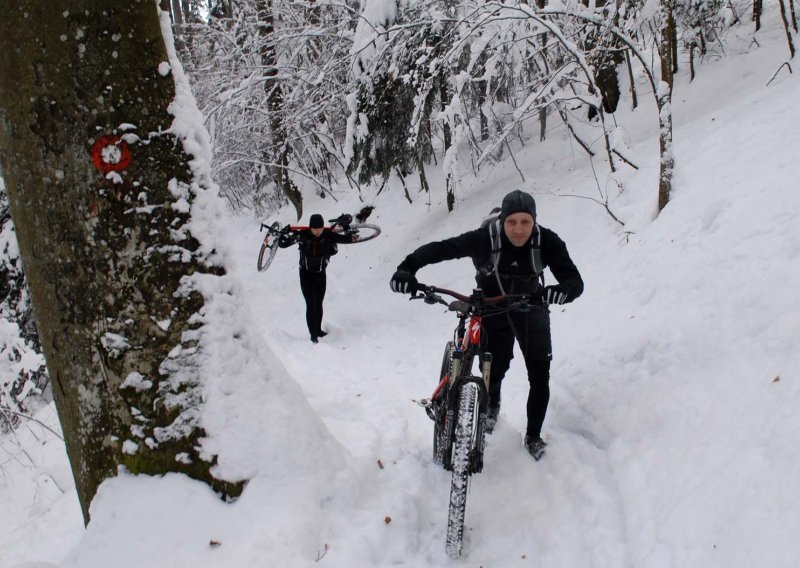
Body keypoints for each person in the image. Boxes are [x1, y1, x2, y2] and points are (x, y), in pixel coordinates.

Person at [389, 190, 583, 460]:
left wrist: (563, 291)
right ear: (502, 221)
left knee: (539, 374)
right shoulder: (485, 239)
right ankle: (491, 404)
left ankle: (533, 436)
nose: (518, 229)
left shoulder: (547, 241)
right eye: (511, 222)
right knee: (494, 367)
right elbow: (443, 249)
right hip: (491, 307)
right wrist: (407, 268)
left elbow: (574, 281)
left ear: (534, 222)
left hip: (532, 306)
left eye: (525, 222)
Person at [279, 213, 355, 343]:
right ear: (310, 228)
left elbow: (348, 239)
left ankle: (318, 330)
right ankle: (313, 335)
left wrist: (346, 226)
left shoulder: (328, 235)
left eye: (319, 229)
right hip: (305, 274)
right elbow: (283, 244)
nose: (317, 232)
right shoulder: (302, 235)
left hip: (320, 274)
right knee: (310, 303)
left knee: (319, 303)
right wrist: (283, 233)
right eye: (314, 229)